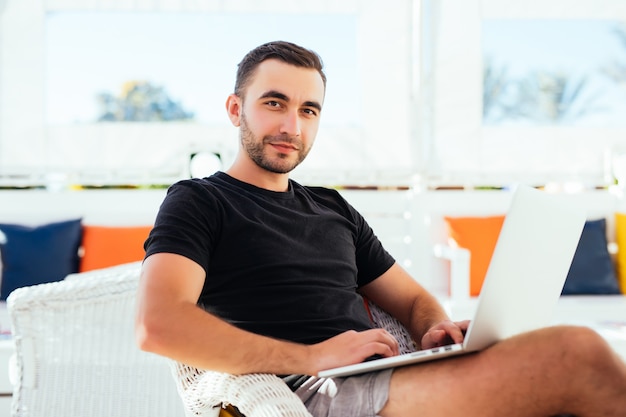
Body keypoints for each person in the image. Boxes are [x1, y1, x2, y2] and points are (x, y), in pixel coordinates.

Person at [135, 40, 626, 417]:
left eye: (309, 110)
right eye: (275, 103)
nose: (293, 126)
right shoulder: (199, 199)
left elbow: (413, 301)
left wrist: (433, 328)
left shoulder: (331, 208)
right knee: (573, 353)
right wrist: (312, 357)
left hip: (379, 374)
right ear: (235, 109)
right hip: (306, 392)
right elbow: (157, 325)